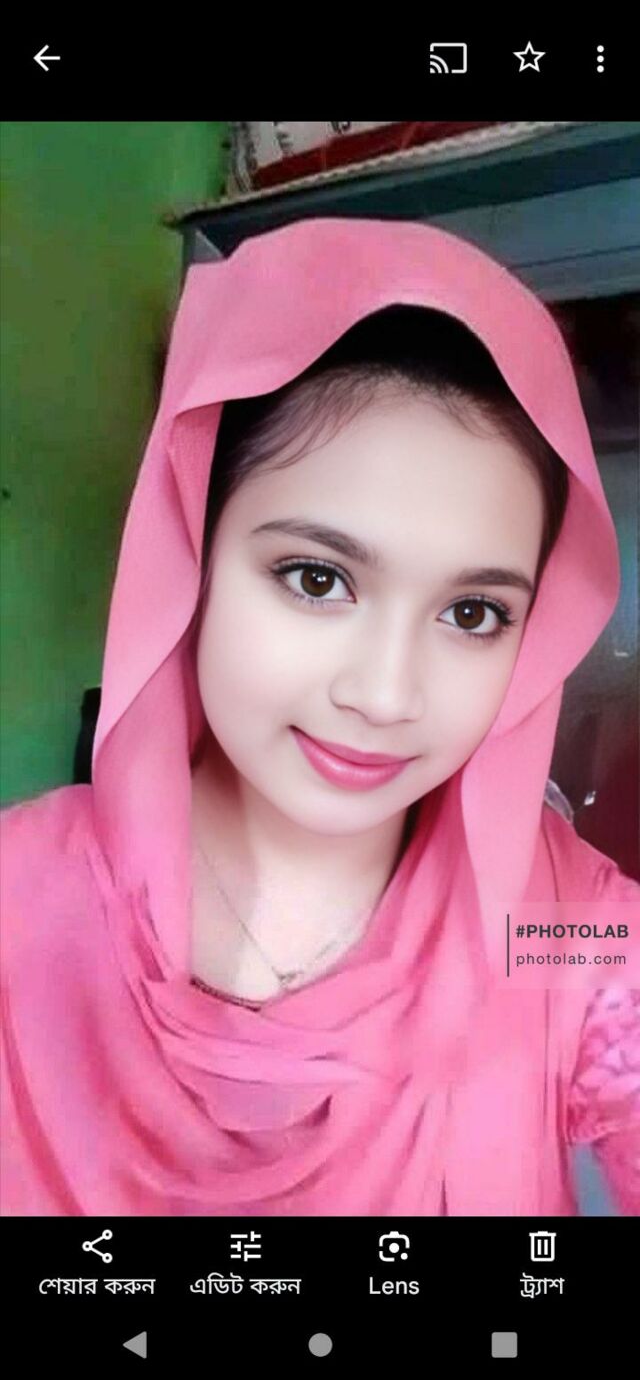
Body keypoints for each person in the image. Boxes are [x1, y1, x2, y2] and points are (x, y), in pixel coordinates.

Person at [1, 217, 638, 1217]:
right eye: (316, 578)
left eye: (473, 614)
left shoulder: (563, 934)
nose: (384, 695)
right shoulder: (17, 907)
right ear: (191, 551)